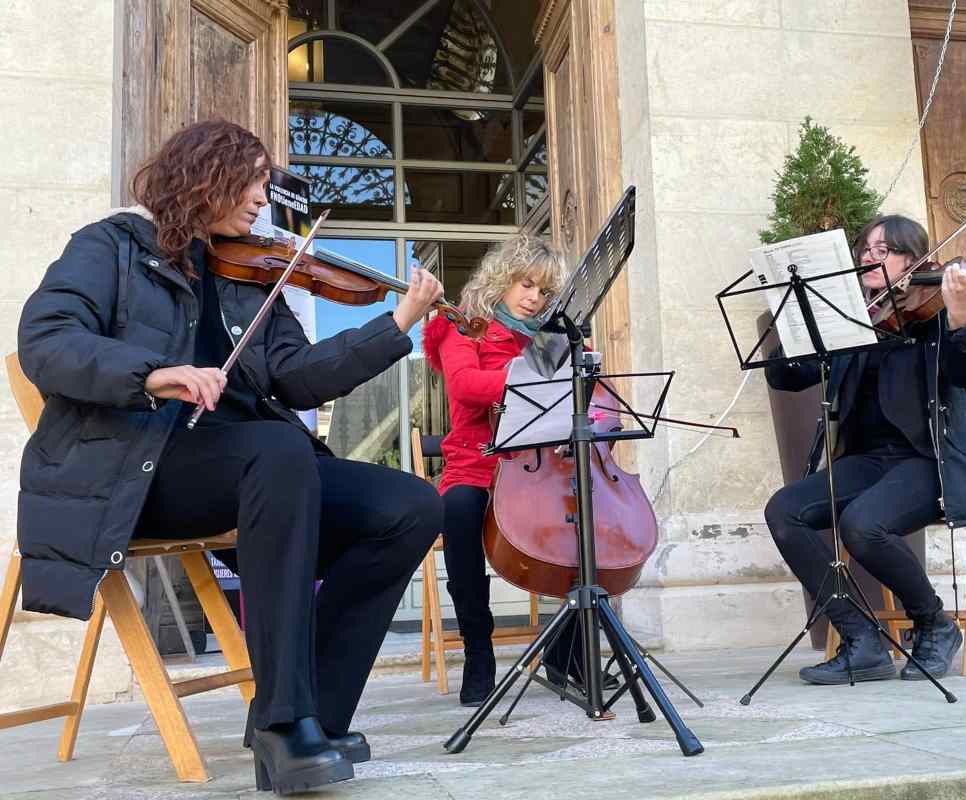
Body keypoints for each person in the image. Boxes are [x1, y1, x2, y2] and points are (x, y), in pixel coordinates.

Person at [17, 119, 443, 794]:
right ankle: (283, 722)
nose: (261, 200)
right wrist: (156, 372)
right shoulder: (111, 248)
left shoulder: (249, 273)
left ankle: (315, 713)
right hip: (139, 467)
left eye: (265, 185)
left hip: (256, 467)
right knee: (275, 448)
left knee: (412, 506)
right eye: (251, 180)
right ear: (202, 174)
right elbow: (46, 338)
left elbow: (297, 377)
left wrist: (394, 327)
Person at [764, 214, 966, 685]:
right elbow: (786, 379)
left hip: (930, 459)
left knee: (863, 524)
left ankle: (934, 623)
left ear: (913, 260)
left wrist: (959, 314)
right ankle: (861, 640)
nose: (869, 257)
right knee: (783, 510)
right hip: (868, 461)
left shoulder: (931, 315)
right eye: (865, 249)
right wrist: (799, 324)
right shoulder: (854, 318)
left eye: (882, 250)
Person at [424, 233, 613, 707]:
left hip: (539, 467)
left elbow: (600, 400)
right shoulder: (462, 327)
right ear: (501, 279)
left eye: (546, 292)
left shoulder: (553, 338)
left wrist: (587, 384)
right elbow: (466, 388)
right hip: (476, 464)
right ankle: (478, 651)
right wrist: (528, 375)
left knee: (587, 520)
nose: (534, 299)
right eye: (526, 284)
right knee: (460, 511)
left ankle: (564, 647)